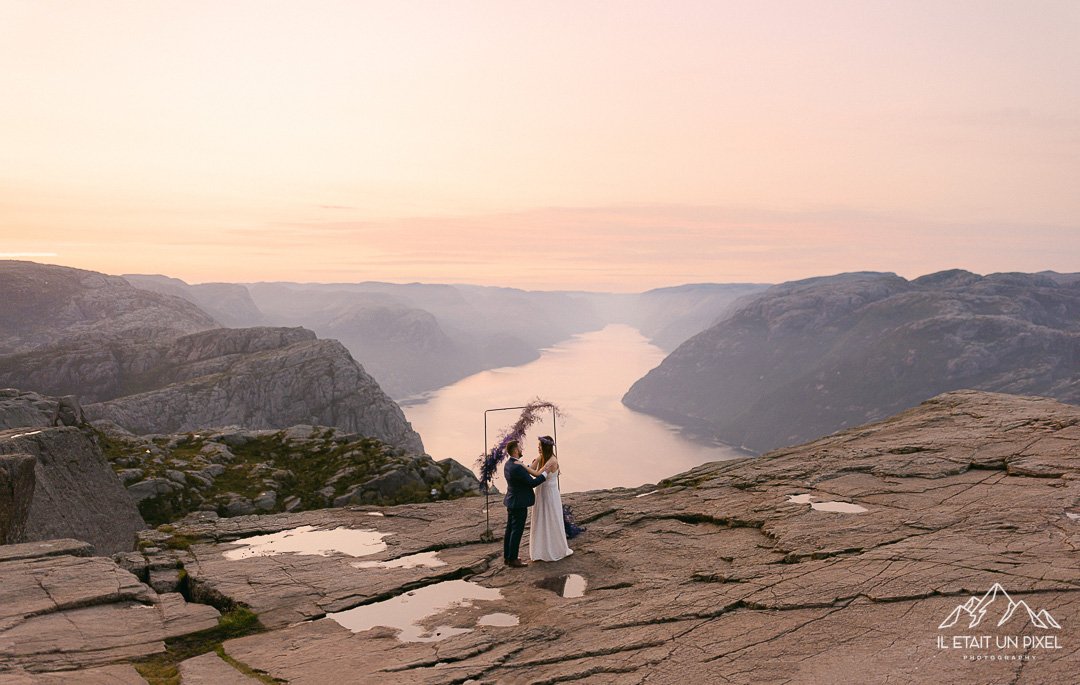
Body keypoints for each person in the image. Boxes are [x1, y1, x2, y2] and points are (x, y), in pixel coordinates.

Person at [502, 439, 550, 568]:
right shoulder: (517, 467)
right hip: (519, 504)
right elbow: (532, 483)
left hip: (511, 501)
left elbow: (523, 473)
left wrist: (534, 463)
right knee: (516, 532)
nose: (521, 449)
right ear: (515, 450)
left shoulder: (509, 464)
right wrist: (545, 473)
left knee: (510, 530)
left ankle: (507, 557)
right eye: (520, 447)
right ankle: (513, 559)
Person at [528, 435, 574, 562]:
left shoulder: (552, 461)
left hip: (549, 494)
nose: (538, 448)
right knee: (541, 519)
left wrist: (521, 466)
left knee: (551, 518)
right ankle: (540, 550)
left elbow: (537, 474)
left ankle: (553, 549)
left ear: (545, 447)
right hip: (541, 493)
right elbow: (532, 468)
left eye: (540, 446)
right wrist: (532, 462)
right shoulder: (542, 457)